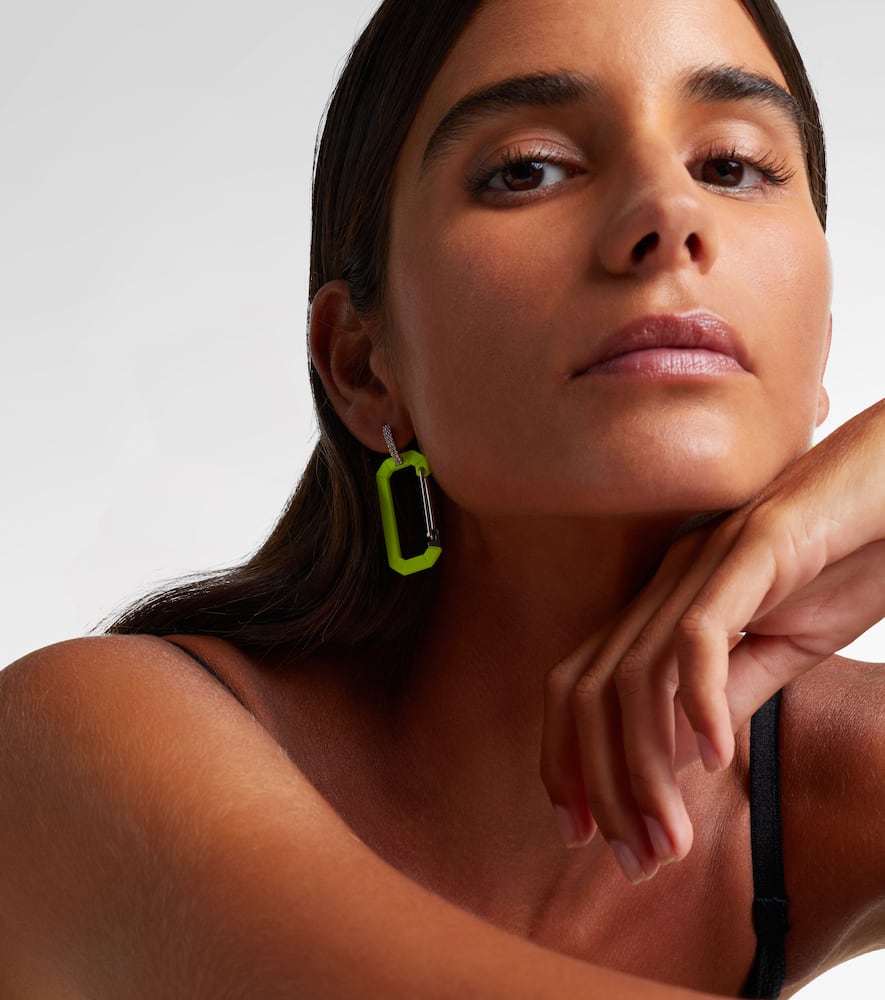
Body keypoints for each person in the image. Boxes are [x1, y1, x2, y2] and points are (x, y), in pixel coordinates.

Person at [1, 0, 883, 996]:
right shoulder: (90, 737)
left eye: (730, 165)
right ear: (361, 364)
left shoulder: (834, 769)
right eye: (528, 170)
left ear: (819, 345)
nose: (667, 215)